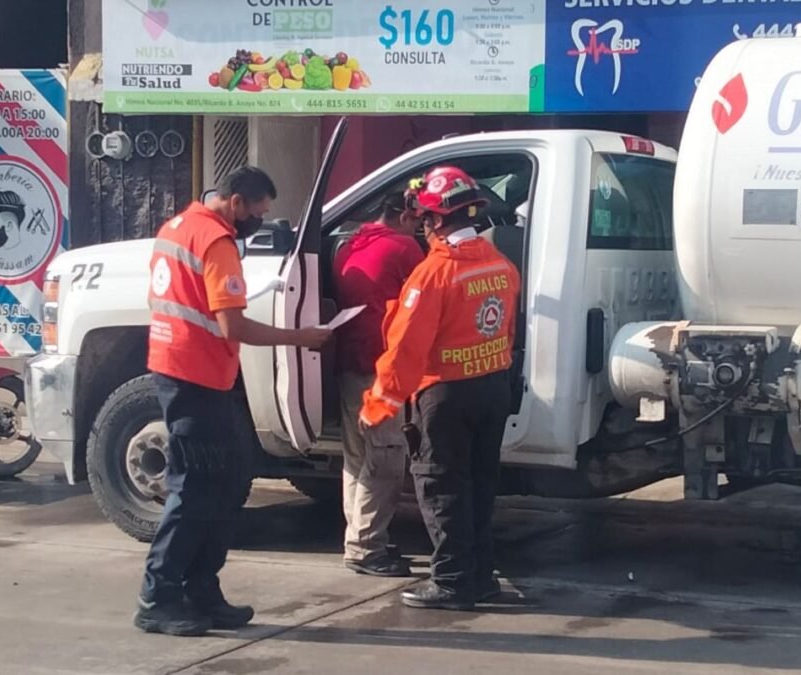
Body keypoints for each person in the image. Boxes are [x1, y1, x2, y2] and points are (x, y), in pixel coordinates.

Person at [136, 166, 331, 637]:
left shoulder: (177, 227)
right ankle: (158, 598)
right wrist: (300, 337)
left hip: (180, 371)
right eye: (258, 212)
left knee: (219, 487)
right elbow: (233, 326)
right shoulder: (217, 242)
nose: (259, 221)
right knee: (195, 490)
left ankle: (201, 590)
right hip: (197, 378)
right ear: (236, 201)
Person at [359, 166, 520, 610]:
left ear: (434, 219)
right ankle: (480, 578)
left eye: (425, 218)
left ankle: (451, 582)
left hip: (447, 396)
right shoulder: (501, 264)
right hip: (493, 387)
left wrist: (378, 405)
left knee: (443, 487)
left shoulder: (432, 275)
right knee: (480, 486)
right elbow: (505, 330)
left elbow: (405, 348)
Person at [333, 190, 425, 577]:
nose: (422, 229)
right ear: (404, 216)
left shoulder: (349, 245)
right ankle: (366, 548)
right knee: (387, 457)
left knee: (358, 457)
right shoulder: (404, 248)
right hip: (380, 369)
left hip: (349, 365)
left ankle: (360, 538)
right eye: (419, 221)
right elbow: (425, 300)